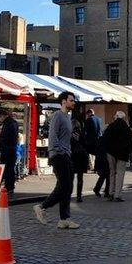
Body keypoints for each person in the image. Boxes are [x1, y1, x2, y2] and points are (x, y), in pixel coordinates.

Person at [33, 92, 79, 229]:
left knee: (68, 187)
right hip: (59, 155)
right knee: (65, 186)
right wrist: (60, 151)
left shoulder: (67, 117)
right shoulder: (57, 116)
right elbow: (53, 136)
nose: (74, 102)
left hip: (66, 154)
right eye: (71, 100)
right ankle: (41, 207)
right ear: (64, 102)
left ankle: (64, 219)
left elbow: (64, 136)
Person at [103, 111, 132, 202]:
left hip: (110, 153)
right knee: (120, 174)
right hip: (122, 154)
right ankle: (117, 195)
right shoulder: (126, 128)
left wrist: (106, 150)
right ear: (123, 118)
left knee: (112, 173)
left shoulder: (110, 126)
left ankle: (110, 193)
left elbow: (104, 139)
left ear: (116, 117)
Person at [0, 109, 19, 196]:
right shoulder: (13, 123)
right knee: (9, 169)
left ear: (2, 115)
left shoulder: (8, 123)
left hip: (7, 150)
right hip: (11, 149)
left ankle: (9, 187)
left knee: (8, 169)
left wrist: (0, 135)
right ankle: (9, 187)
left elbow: (7, 137)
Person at [71, 117, 90, 202]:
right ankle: (79, 196)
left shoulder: (69, 134)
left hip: (72, 157)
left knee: (70, 177)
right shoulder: (82, 134)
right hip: (81, 157)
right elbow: (86, 145)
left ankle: (68, 194)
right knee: (80, 178)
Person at [92, 132, 111, 198]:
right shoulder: (108, 139)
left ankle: (98, 189)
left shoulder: (100, 139)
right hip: (105, 158)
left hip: (100, 158)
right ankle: (106, 191)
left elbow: (96, 149)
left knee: (104, 175)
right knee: (108, 175)